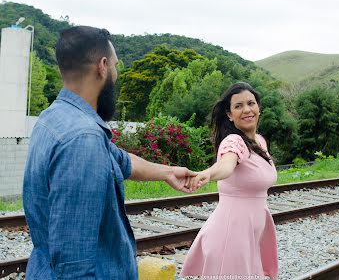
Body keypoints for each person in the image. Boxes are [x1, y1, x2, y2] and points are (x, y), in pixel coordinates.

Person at [22, 26, 197, 280]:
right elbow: (74, 265)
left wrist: (168, 172)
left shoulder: (54, 119)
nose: (115, 73)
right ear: (102, 66)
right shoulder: (83, 139)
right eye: (115, 65)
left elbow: (120, 159)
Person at [180, 82, 279, 280]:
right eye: (238, 106)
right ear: (229, 114)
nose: (247, 110)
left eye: (251, 103)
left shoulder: (260, 141)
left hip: (251, 230)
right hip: (232, 232)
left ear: (259, 107)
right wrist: (208, 173)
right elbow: (226, 165)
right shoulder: (233, 141)